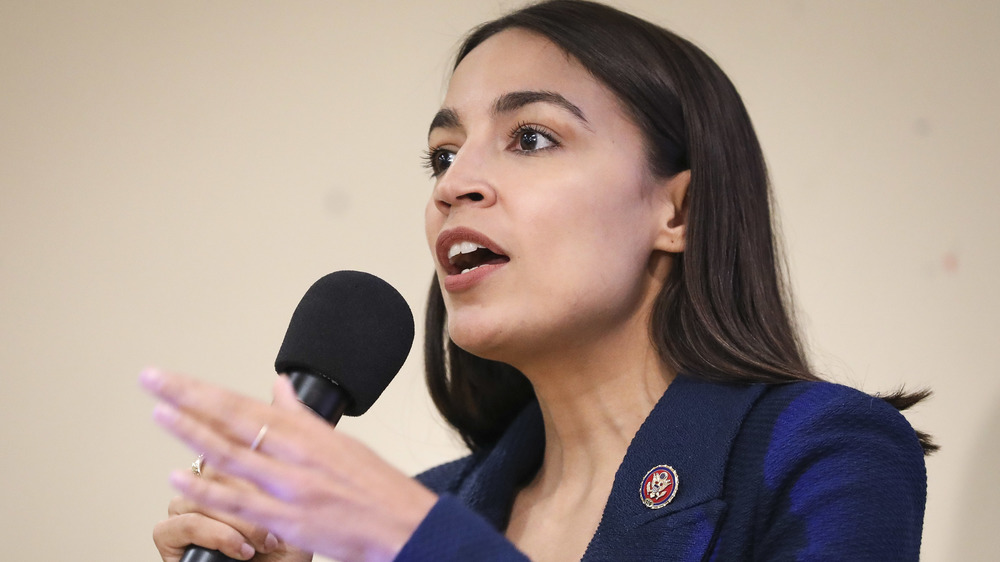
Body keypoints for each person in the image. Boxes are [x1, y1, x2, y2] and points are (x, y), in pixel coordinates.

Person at [144, 1, 934, 561]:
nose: (454, 185)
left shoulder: (824, 453)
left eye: (530, 137)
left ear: (679, 210)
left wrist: (415, 541)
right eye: (443, 155)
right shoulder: (431, 505)